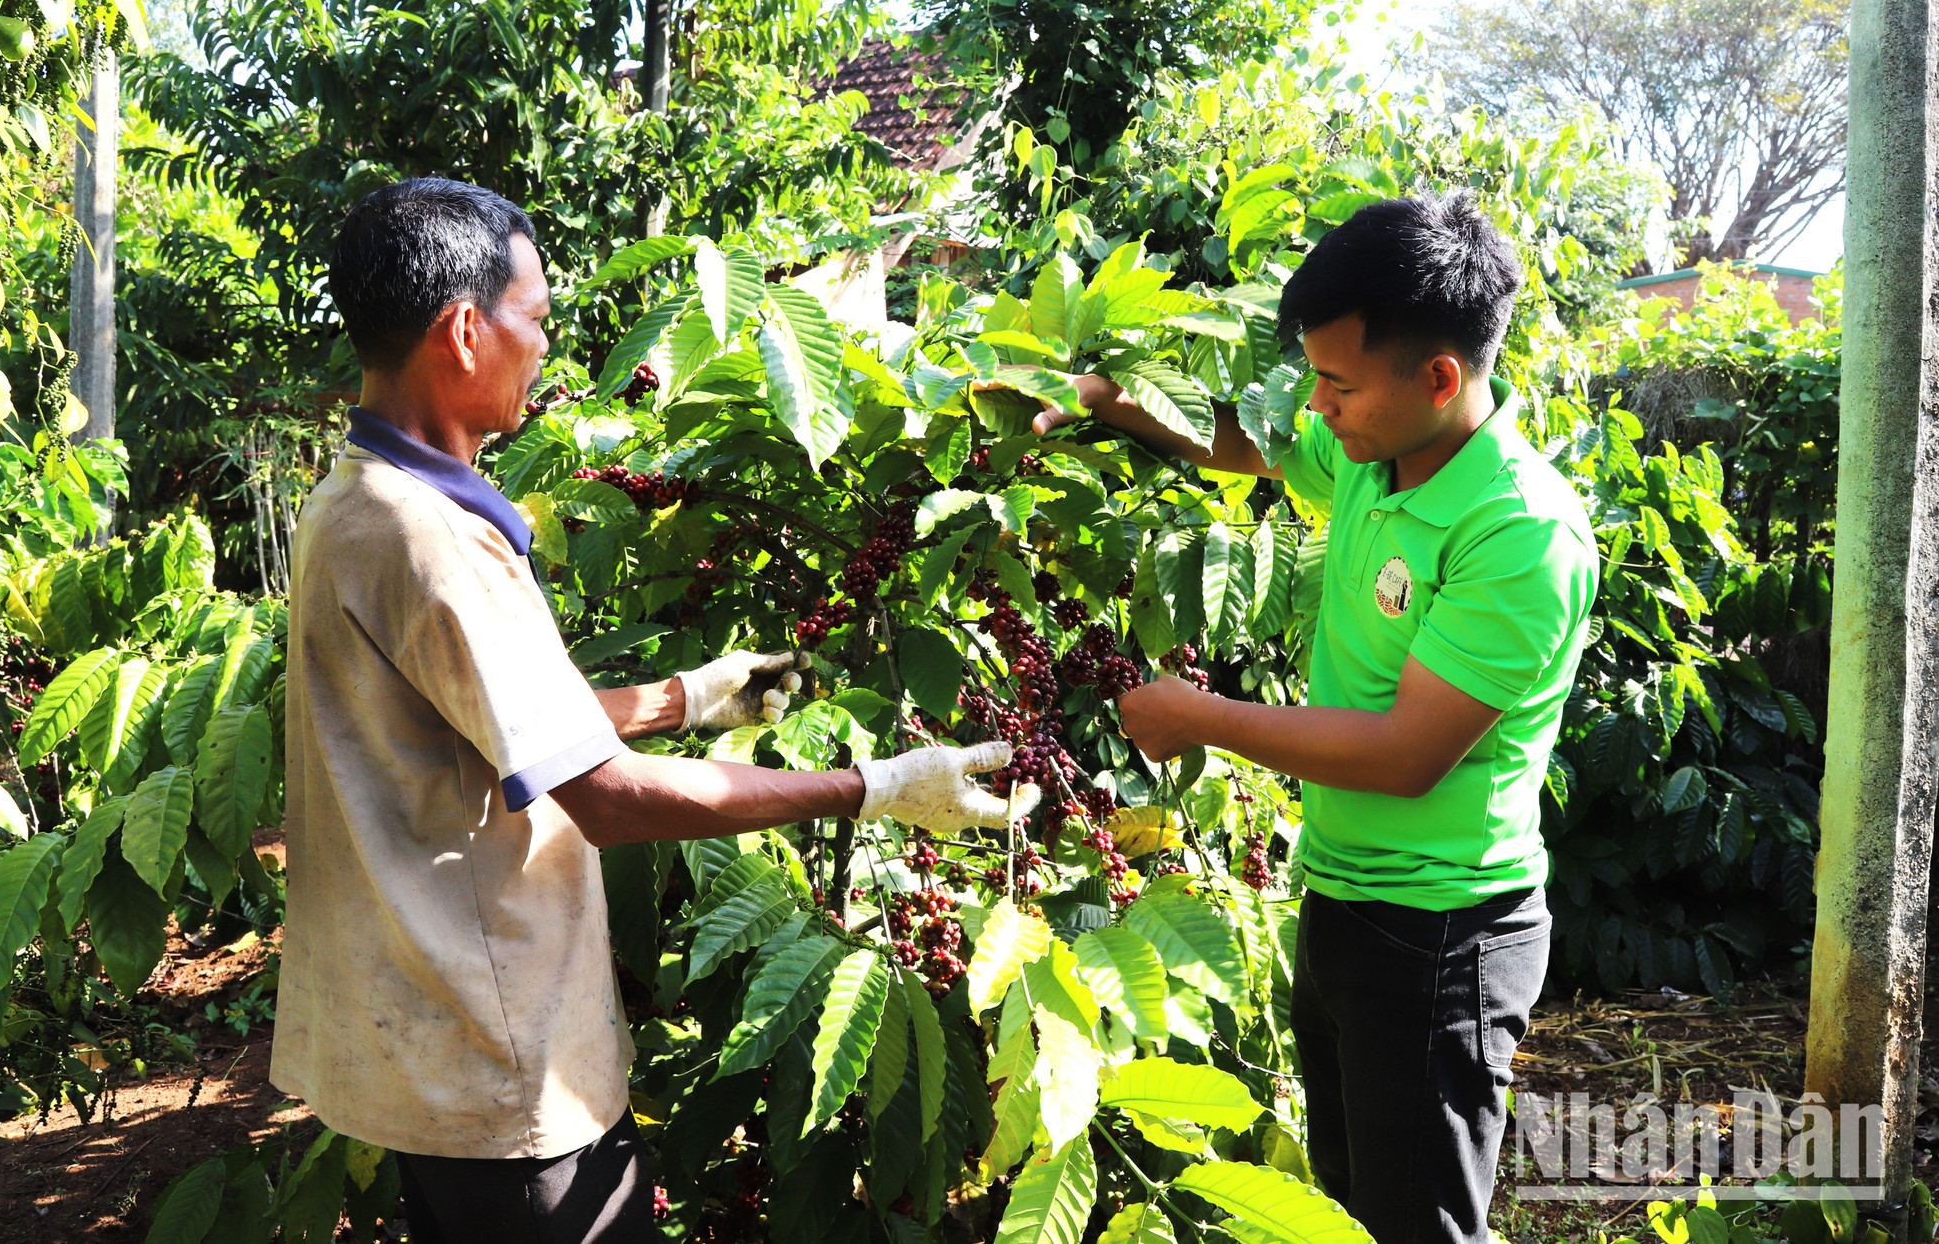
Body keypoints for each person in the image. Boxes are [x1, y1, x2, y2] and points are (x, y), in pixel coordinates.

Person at [270, 177, 1038, 1244]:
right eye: (532, 319)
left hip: (428, 1046)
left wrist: (682, 697)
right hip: (502, 1074)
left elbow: (479, 727)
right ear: (460, 330)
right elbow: (610, 801)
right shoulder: (433, 540)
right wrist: (872, 789)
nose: (543, 347)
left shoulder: (350, 502)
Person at [1032, 193, 1598, 1244]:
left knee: (1417, 1226)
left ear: (1437, 378)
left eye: (1336, 383)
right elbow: (1245, 446)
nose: (1319, 407)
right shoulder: (1371, 448)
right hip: (1343, 898)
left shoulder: (1517, 532)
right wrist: (1103, 398)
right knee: (1345, 1207)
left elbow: (1403, 755)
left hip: (1440, 937)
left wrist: (1197, 717)